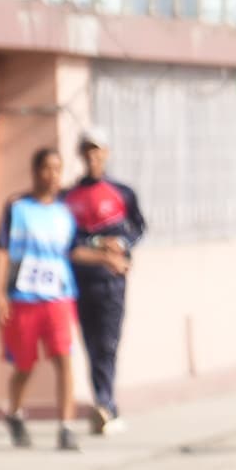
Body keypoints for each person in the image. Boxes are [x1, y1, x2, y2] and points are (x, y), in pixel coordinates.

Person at [0, 146, 84, 451]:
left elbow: (74, 251)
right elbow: (2, 251)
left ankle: (66, 427)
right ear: (35, 172)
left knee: (63, 359)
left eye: (58, 169)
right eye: (46, 168)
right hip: (23, 298)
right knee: (24, 366)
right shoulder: (17, 208)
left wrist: (105, 258)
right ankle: (15, 413)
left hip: (58, 297)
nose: (52, 175)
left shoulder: (65, 212)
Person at [62, 137, 146, 435]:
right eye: (87, 151)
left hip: (112, 282)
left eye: (97, 150)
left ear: (106, 153)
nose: (92, 156)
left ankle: (105, 402)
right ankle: (105, 401)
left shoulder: (122, 193)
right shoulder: (68, 197)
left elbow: (138, 228)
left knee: (108, 343)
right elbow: (69, 240)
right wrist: (99, 245)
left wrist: (121, 244)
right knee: (91, 342)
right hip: (82, 279)